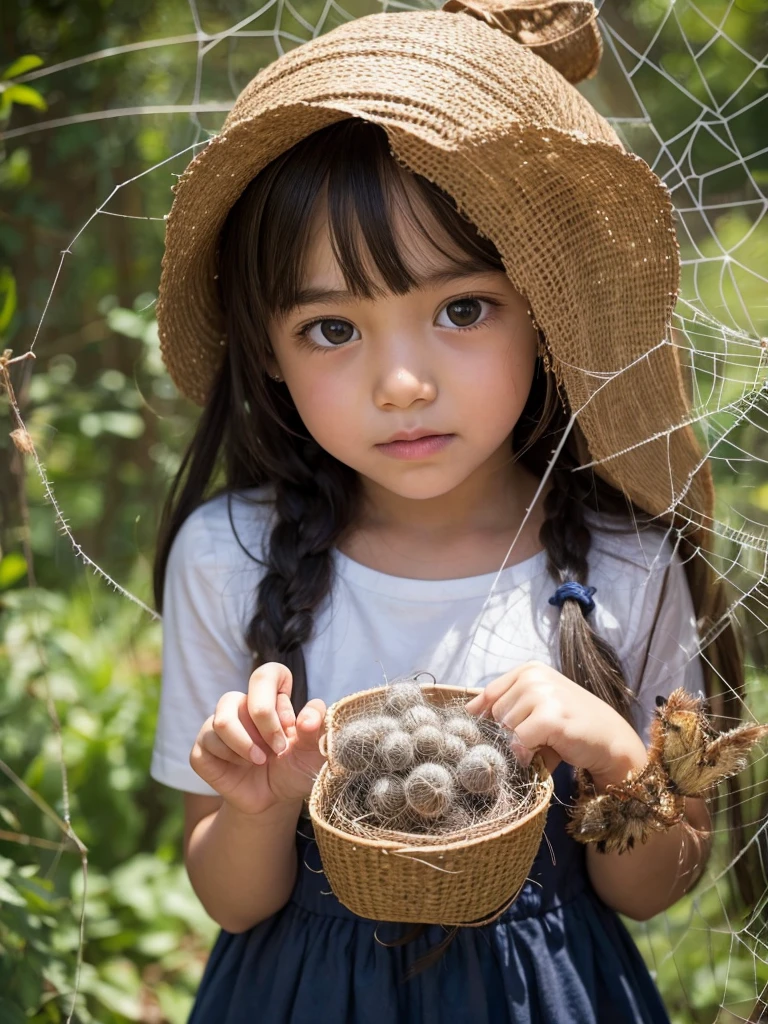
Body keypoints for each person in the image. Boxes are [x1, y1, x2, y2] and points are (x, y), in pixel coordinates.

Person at [149, 1, 743, 1020]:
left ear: (543, 313)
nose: (403, 382)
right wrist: (261, 804)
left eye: (462, 310)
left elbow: (653, 890)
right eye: (332, 327)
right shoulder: (228, 555)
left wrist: (612, 755)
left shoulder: (627, 562)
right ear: (270, 358)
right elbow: (232, 901)